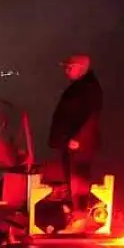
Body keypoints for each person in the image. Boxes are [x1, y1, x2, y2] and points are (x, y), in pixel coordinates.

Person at [47, 53, 102, 213]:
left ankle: (79, 214)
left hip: (79, 145)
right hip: (71, 143)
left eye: (69, 67)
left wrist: (78, 139)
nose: (66, 71)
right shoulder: (80, 87)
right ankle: (75, 212)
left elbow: (92, 116)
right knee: (72, 178)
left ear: (81, 68)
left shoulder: (89, 88)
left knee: (78, 179)